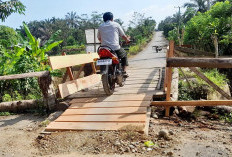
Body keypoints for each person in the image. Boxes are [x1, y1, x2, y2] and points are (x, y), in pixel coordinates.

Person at [97, 12, 130, 76]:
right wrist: (127, 40)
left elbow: (99, 38)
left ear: (104, 19)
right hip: (115, 48)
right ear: (112, 18)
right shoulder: (116, 24)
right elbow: (123, 36)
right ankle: (124, 71)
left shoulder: (101, 26)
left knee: (101, 58)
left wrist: (104, 42)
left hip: (104, 48)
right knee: (124, 55)